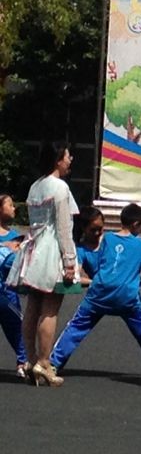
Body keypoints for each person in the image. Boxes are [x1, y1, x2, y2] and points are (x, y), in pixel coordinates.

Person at [50, 204, 141, 373]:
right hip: (126, 296)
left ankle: (53, 363)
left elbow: (112, 265)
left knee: (76, 327)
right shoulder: (139, 244)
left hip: (99, 294)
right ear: (136, 224)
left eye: (100, 229)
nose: (98, 234)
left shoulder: (108, 239)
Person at [6, 142, 80, 387]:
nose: (70, 160)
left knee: (33, 308)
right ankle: (44, 362)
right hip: (50, 250)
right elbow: (63, 228)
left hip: (32, 248)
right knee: (50, 307)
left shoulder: (35, 186)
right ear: (58, 159)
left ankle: (29, 360)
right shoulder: (60, 187)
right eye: (68, 156)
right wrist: (70, 262)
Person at [0, 235, 28, 378]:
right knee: (19, 327)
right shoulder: (9, 256)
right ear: (17, 246)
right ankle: (24, 362)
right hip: (2, 297)